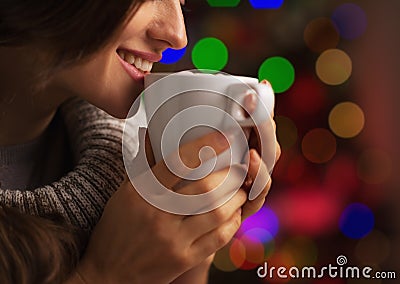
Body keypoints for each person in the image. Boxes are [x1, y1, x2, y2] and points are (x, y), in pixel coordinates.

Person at [0, 0, 280, 283]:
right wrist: (106, 276)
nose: (177, 35)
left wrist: (193, 249)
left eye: (181, 2)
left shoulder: (135, 167)